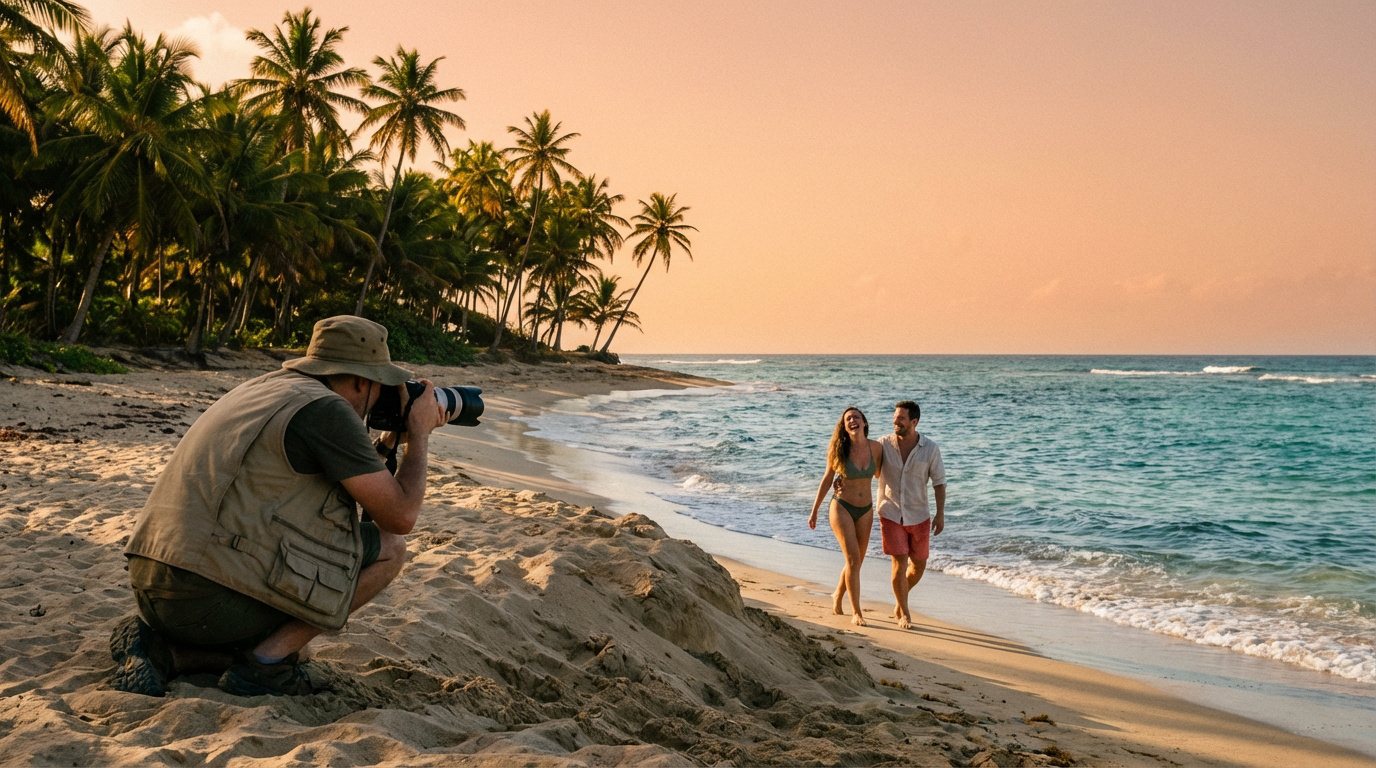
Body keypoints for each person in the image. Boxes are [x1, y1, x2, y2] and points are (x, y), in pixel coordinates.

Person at [109, 315, 447, 697]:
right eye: (383, 386)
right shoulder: (329, 410)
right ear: (361, 380)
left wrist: (387, 443)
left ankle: (166, 652)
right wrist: (419, 436)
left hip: (153, 582)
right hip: (206, 596)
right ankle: (265, 666)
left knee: (291, 646)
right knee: (389, 552)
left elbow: (340, 481)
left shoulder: (268, 388)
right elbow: (400, 517)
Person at [808, 407, 884, 626]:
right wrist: (814, 510)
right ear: (844, 426)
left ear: (864, 423)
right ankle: (857, 612)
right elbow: (827, 478)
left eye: (856, 417)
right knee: (852, 559)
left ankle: (837, 595)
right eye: (848, 419)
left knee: (856, 561)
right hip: (841, 507)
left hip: (866, 510)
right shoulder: (838, 450)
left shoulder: (876, 448)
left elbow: (880, 475)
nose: (853, 420)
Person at [876, 400, 946, 630]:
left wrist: (940, 514)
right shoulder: (883, 444)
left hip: (919, 514)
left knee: (919, 565)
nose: (895, 421)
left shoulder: (930, 449)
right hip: (891, 511)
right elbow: (868, 468)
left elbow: (939, 483)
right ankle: (904, 612)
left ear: (914, 422)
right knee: (899, 562)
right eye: (895, 417)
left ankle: (900, 597)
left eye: (901, 418)